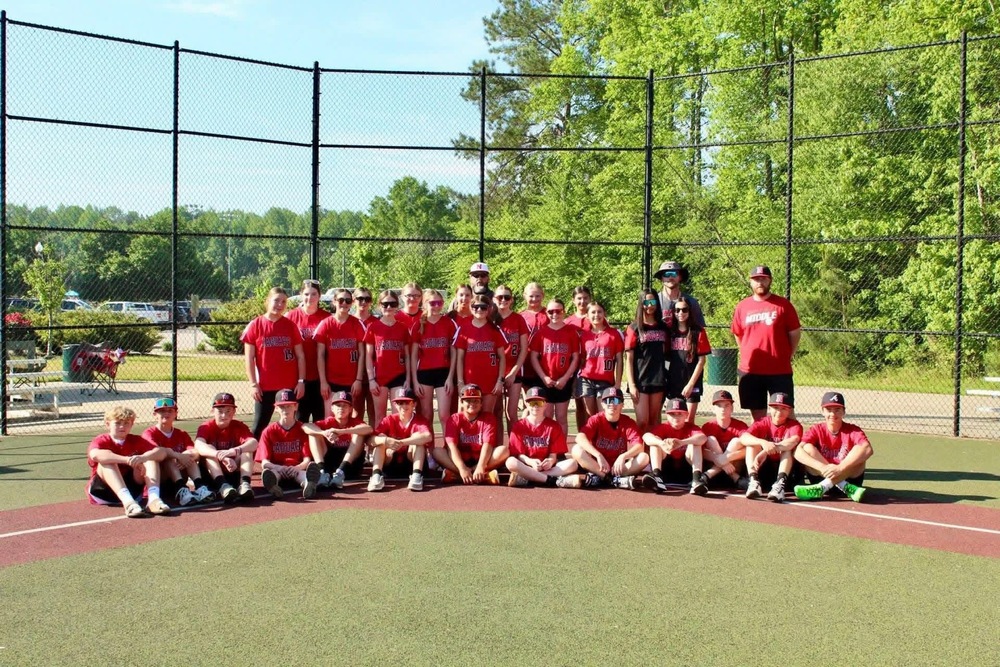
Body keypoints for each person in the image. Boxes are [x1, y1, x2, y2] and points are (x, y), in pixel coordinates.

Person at [731, 265, 802, 422]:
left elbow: (795, 334)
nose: (760, 282)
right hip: (751, 371)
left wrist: (787, 354)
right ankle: (761, 445)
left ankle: (790, 446)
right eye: (756, 279)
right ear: (751, 282)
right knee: (758, 417)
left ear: (770, 280)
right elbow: (738, 334)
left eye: (763, 278)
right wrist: (747, 352)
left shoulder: (783, 305)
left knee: (787, 414)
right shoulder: (743, 306)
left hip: (779, 370)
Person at [242, 287, 306, 439]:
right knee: (259, 426)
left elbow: (300, 356)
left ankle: (291, 457)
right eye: (276, 300)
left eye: (283, 301)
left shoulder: (290, 325)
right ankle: (252, 460)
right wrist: (253, 384)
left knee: (291, 425)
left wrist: (301, 381)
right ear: (267, 301)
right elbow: (249, 358)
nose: (280, 304)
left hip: (288, 386)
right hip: (265, 387)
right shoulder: (256, 325)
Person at [86, 406, 171, 517]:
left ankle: (153, 500)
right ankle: (128, 503)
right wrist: (126, 460)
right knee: (107, 462)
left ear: (132, 424)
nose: (122, 426)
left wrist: (143, 458)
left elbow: (161, 452)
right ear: (108, 424)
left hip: (134, 491)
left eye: (126, 423)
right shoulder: (101, 440)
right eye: (117, 423)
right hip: (103, 492)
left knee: (150, 458)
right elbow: (96, 455)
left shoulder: (136, 440)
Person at [793, 392, 872, 502]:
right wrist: (823, 468)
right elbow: (797, 452)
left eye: (837, 410)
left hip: (849, 479)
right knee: (807, 448)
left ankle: (822, 488)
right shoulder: (816, 429)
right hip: (822, 477)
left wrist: (840, 468)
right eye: (829, 410)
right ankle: (840, 486)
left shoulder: (853, 430)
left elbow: (868, 449)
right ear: (823, 412)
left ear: (844, 412)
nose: (833, 414)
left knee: (860, 450)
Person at [570, 387, 650, 489]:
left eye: (616, 401)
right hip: (599, 466)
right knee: (576, 449)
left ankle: (605, 479)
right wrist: (598, 455)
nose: (612, 404)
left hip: (619, 467)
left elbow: (639, 446)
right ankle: (610, 479)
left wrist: (623, 456)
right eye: (608, 401)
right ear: (603, 404)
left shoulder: (628, 422)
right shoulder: (596, 419)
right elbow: (580, 437)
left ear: (622, 405)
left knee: (644, 457)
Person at [141, 397, 214, 507]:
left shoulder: (181, 433)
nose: (166, 413)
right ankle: (181, 489)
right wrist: (178, 456)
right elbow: (158, 453)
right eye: (162, 411)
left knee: (189, 456)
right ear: (155, 414)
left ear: (176, 413)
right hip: (160, 479)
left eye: (170, 411)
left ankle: (199, 488)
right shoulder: (149, 433)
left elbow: (195, 452)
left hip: (180, 474)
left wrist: (185, 456)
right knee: (169, 457)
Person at [505, 387, 581, 488]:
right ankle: (554, 480)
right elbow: (520, 456)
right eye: (532, 403)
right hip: (527, 465)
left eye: (539, 403)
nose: (535, 406)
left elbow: (553, 456)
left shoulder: (553, 426)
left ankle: (529, 479)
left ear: (545, 404)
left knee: (573, 463)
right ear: (526, 404)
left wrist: (549, 462)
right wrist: (531, 462)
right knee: (510, 462)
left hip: (546, 468)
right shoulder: (519, 425)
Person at [435, 384, 508, 484]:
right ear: (461, 402)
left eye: (476, 401)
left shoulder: (488, 418)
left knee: (503, 451)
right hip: (459, 460)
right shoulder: (454, 419)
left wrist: (480, 466)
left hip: (482, 459)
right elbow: (452, 447)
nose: (472, 404)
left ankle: (458, 475)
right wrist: (462, 468)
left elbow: (488, 445)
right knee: (436, 452)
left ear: (481, 403)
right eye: (468, 401)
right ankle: (479, 475)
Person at [410, 288, 458, 443]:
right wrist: (415, 381)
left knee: (444, 415)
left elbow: (454, 352)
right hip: (424, 373)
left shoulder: (448, 323)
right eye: (432, 303)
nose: (436, 306)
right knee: (426, 415)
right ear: (425, 304)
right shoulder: (419, 325)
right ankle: (429, 452)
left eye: (439, 303)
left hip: (443, 373)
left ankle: (447, 450)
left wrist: (451, 377)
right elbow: (413, 356)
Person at [194, 392, 259, 503]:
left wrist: (233, 451)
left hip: (233, 472)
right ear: (212, 411)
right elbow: (199, 445)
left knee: (246, 451)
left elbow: (254, 443)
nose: (224, 415)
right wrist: (221, 456)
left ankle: (244, 484)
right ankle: (223, 486)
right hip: (211, 476)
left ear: (234, 412)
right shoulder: (206, 426)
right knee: (209, 450)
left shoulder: (239, 426)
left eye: (228, 411)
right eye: (220, 411)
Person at [258, 389, 323, 500]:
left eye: (289, 406)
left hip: (297, 470)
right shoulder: (268, 431)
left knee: (303, 474)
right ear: (276, 408)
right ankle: (273, 485)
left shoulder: (302, 429)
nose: (285, 410)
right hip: (278, 469)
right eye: (282, 407)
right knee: (271, 472)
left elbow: (307, 460)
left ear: (296, 407)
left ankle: (308, 485)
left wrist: (297, 467)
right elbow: (264, 462)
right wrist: (279, 467)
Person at [529, 298, 580, 436]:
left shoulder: (571, 332)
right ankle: (548, 447)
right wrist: (544, 377)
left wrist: (565, 378)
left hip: (563, 381)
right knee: (547, 416)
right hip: (545, 381)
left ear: (564, 312)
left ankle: (561, 449)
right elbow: (533, 357)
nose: (554, 314)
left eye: (558, 311)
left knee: (562, 417)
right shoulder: (541, 333)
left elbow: (575, 357)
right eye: (551, 311)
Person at [738, 391, 802, 502]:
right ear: (770, 409)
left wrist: (768, 450)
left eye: (783, 408)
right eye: (776, 407)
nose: (779, 412)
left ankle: (780, 485)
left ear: (789, 410)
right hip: (763, 467)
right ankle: (754, 481)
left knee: (787, 450)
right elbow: (743, 438)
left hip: (786, 470)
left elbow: (793, 441)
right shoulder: (762, 422)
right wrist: (763, 442)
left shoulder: (794, 425)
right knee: (752, 445)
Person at [304, 390, 374, 489]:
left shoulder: (355, 422)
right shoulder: (328, 422)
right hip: (330, 464)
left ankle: (341, 472)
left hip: (350, 467)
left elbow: (368, 429)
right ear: (332, 408)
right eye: (338, 405)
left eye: (345, 405)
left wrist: (341, 431)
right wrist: (323, 433)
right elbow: (306, 426)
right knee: (313, 434)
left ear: (350, 409)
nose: (341, 408)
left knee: (358, 433)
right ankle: (321, 472)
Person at [314, 288, 367, 418]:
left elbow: (362, 354)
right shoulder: (325, 324)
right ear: (334, 301)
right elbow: (320, 355)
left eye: (348, 300)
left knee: (352, 418)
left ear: (352, 302)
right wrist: (323, 382)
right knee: (330, 417)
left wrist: (358, 379)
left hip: (352, 381)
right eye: (341, 300)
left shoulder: (357, 324)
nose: (344, 303)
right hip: (331, 380)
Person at [370, 387, 435, 492]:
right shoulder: (389, 419)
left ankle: (416, 476)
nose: (403, 406)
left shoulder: (420, 420)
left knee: (418, 441)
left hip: (411, 461)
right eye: (400, 403)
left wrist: (401, 442)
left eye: (407, 402)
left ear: (414, 404)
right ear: (395, 405)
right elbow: (371, 440)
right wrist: (386, 441)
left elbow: (428, 436)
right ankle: (376, 476)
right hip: (392, 462)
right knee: (380, 441)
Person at [642, 398, 710, 495]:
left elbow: (703, 438)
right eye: (672, 414)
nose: (676, 417)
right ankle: (657, 477)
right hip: (666, 470)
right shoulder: (663, 427)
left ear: (686, 415)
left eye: (680, 414)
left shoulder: (691, 428)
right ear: (667, 415)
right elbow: (646, 437)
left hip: (686, 470)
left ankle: (696, 480)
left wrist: (682, 442)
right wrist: (662, 443)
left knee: (695, 443)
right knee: (655, 443)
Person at [364, 289, 412, 426]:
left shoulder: (402, 328)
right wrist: (371, 379)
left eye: (392, 304)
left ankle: (398, 446)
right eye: (385, 304)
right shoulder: (373, 327)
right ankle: (381, 446)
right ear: (380, 306)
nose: (389, 307)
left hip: (398, 376)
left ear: (397, 306)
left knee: (398, 415)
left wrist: (408, 379)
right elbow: (368, 356)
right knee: (380, 416)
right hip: (379, 377)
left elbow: (407, 356)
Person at [285, 278, 330, 423]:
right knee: (299, 419)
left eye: (313, 294)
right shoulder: (291, 317)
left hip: (320, 376)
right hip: (298, 377)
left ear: (319, 296)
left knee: (320, 418)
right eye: (306, 294)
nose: (309, 298)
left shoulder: (327, 318)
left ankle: (319, 446)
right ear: (300, 294)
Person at [624, 289, 669, 431]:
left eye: (653, 302)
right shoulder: (634, 328)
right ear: (641, 304)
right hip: (640, 380)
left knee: (654, 420)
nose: (650, 305)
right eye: (646, 302)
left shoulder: (663, 327)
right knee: (642, 421)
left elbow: (667, 353)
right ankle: (640, 451)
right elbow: (629, 359)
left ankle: (653, 452)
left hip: (658, 379)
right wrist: (631, 385)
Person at [455, 294, 507, 415]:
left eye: (483, 307)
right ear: (471, 308)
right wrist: (460, 382)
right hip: (470, 381)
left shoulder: (495, 329)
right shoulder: (464, 329)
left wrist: (500, 381)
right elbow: (460, 359)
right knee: (467, 416)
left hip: (490, 381)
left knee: (487, 415)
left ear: (488, 309)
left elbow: (502, 358)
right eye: (476, 307)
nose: (479, 310)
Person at [666, 296, 711, 423]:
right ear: (673, 312)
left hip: (692, 382)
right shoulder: (670, 332)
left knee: (688, 421)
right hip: (674, 381)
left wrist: (691, 384)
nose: (681, 313)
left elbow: (701, 361)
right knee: (674, 421)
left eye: (684, 310)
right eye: (677, 310)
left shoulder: (698, 331)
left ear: (690, 311)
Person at [578, 301, 624, 422]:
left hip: (605, 381)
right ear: (587, 315)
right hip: (586, 380)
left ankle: (603, 440)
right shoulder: (584, 336)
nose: (596, 315)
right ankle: (590, 440)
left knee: (604, 416)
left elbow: (619, 359)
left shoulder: (614, 334)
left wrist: (618, 383)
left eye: (599, 311)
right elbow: (581, 359)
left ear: (604, 314)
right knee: (590, 417)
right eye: (593, 312)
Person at [493, 285, 530, 430]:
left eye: (506, 297)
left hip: (514, 371)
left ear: (512, 300)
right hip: (495, 372)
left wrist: (513, 373)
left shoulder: (518, 319)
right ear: (494, 299)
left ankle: (515, 448)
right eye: (500, 297)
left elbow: (524, 349)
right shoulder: (490, 319)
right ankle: (498, 447)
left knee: (511, 413)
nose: (503, 300)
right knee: (496, 412)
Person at [699, 390, 750, 489]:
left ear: (732, 408)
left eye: (726, 405)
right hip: (715, 468)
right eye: (719, 406)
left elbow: (748, 449)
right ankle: (737, 479)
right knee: (711, 439)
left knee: (736, 441)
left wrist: (727, 458)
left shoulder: (740, 426)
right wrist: (720, 460)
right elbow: (701, 451)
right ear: (713, 409)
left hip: (735, 467)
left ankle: (706, 476)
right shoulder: (708, 426)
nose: (723, 409)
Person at [564, 286, 592, 432]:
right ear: (573, 300)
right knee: (578, 403)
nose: (582, 301)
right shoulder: (568, 321)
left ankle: (592, 436)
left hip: (590, 366)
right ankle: (582, 435)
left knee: (590, 405)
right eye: (579, 298)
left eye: (585, 298)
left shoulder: (595, 317)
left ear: (590, 299)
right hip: (571, 367)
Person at [653, 260, 705, 328]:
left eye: (674, 274)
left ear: (680, 277)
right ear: (661, 278)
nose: (670, 277)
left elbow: (700, 330)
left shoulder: (691, 302)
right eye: (666, 274)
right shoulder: (654, 302)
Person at [351, 287, 377, 424]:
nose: (363, 302)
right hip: (353, 375)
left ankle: (375, 444)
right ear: (354, 300)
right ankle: (357, 445)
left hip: (374, 375)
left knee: (375, 413)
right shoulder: (349, 321)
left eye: (367, 299)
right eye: (360, 298)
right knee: (355, 413)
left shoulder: (376, 322)